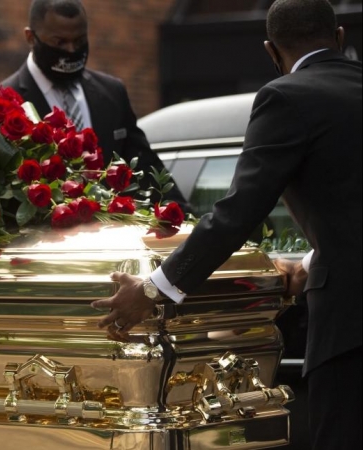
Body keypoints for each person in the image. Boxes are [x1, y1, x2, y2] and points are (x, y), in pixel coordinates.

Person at [92, 1, 361, 448]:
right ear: (339, 38)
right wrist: (315, 257)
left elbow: (238, 213)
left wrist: (152, 290)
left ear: (271, 52)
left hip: (351, 329)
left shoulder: (286, 97)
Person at [0, 0, 189, 207]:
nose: (71, 50)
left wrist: (185, 219)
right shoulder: (4, 102)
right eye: (59, 42)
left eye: (79, 41)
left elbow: (145, 166)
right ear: (30, 37)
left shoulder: (111, 93)